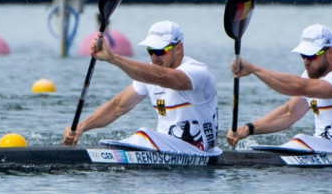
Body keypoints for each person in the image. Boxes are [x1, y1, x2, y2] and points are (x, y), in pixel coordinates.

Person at [62, 20, 220, 155]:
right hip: (166, 153)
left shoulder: (198, 72)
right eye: (150, 51)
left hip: (200, 153)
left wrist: (112, 58)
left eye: (160, 51)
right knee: (112, 143)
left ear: (178, 48)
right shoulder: (149, 74)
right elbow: (118, 106)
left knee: (143, 134)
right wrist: (81, 127)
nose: (154, 57)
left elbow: (162, 77)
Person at [226, 24, 332, 153]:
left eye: (312, 56)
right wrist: (249, 128)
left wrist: (254, 69)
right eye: (303, 55)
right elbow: (290, 113)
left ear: (330, 52)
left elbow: (299, 87)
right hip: (321, 154)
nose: (306, 62)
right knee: (298, 139)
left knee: (299, 138)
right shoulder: (312, 74)